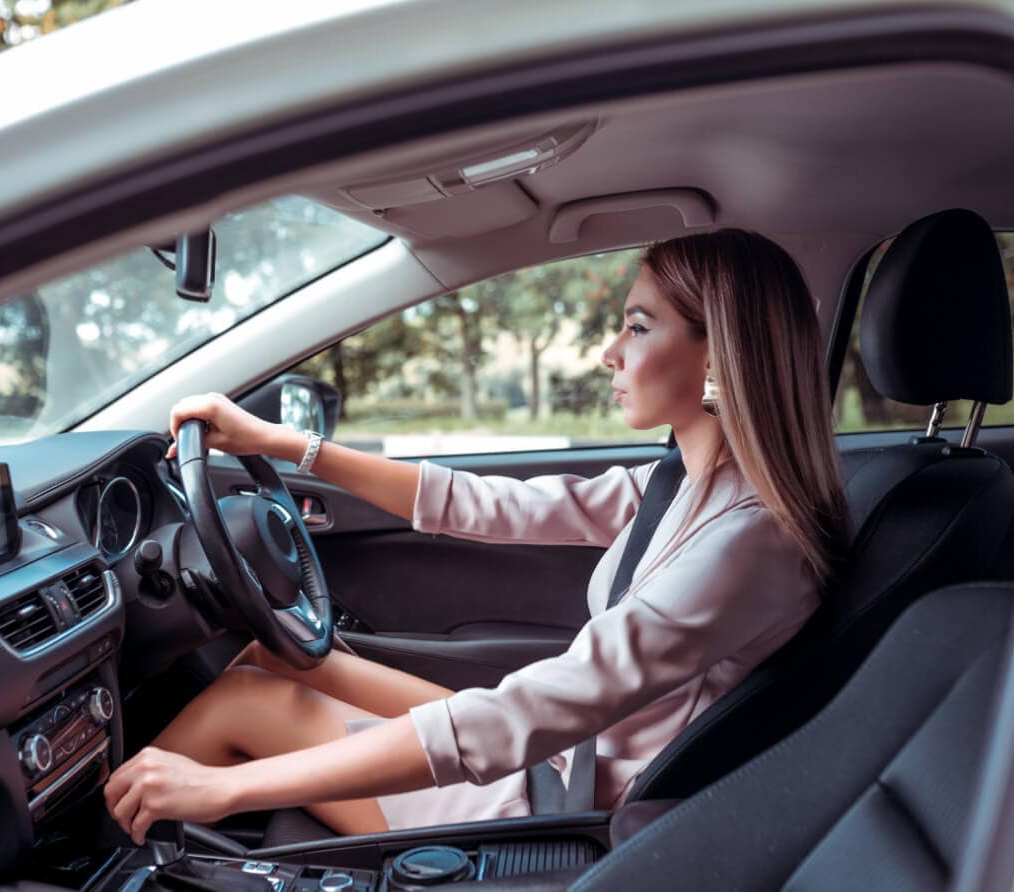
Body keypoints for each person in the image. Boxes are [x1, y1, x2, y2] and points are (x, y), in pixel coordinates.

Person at [103, 229, 851, 846]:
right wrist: (275, 440)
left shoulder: (746, 542)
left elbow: (536, 709)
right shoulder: (688, 485)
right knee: (274, 653)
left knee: (243, 703)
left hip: (561, 806)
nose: (609, 353)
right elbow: (487, 504)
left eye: (637, 326)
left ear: (717, 355)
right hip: (561, 758)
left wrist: (222, 786)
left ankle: (103, 852)